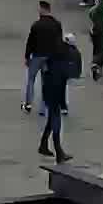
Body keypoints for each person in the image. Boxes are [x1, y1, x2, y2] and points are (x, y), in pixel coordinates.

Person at [37, 32, 81, 163]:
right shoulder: (65, 57)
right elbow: (65, 78)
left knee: (52, 119)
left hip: (50, 89)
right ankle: (59, 152)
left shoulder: (56, 53)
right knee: (56, 121)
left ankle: (43, 145)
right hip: (53, 91)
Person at [23, 0, 64, 115]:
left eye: (40, 9)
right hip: (50, 58)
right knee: (46, 82)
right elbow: (59, 42)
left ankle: (28, 104)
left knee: (31, 79)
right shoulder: (56, 24)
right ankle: (44, 108)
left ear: (43, 9)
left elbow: (30, 42)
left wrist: (27, 56)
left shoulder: (36, 25)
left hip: (37, 56)